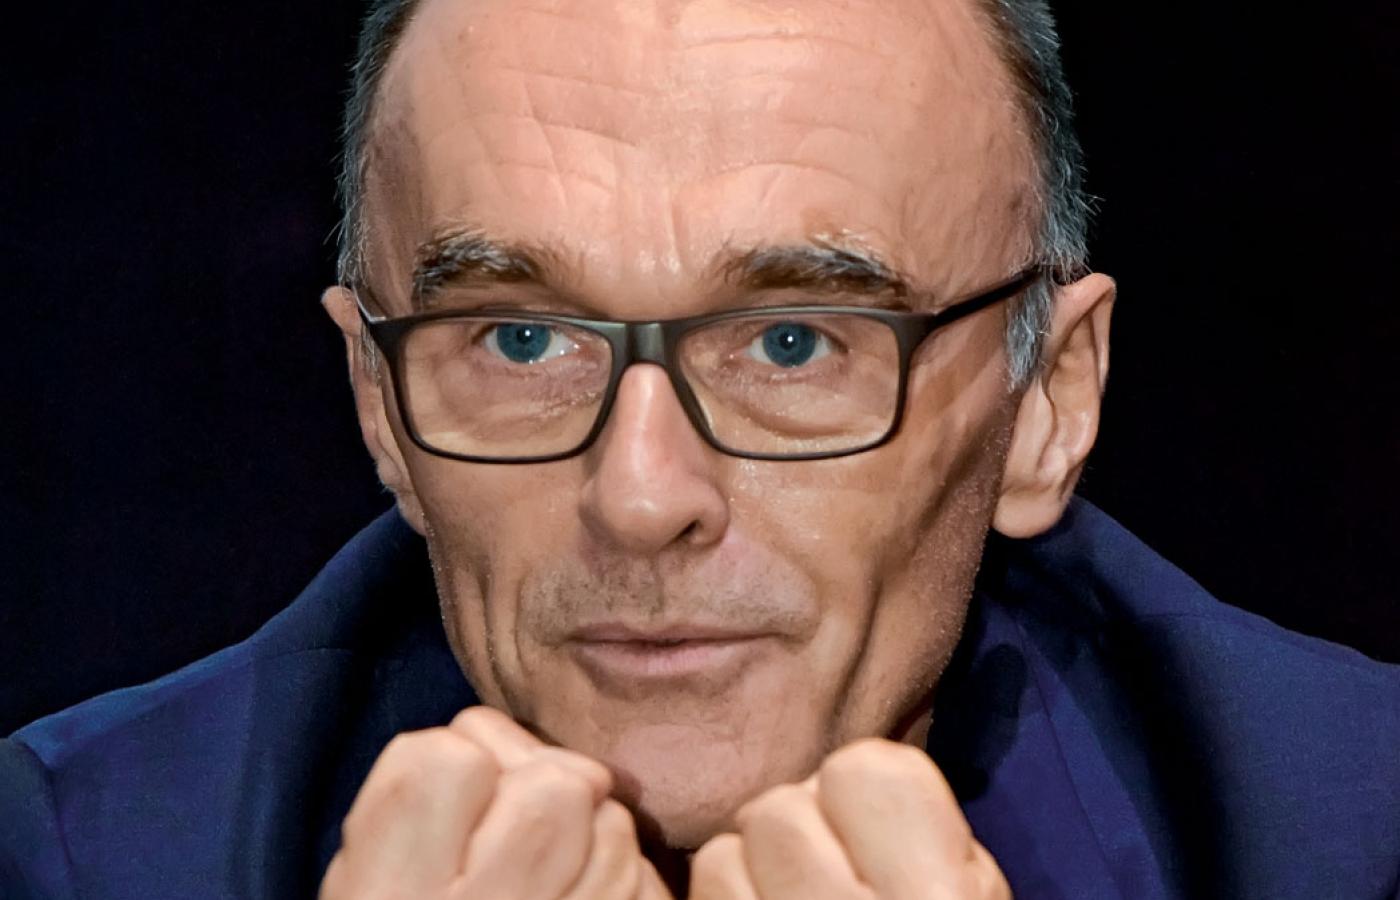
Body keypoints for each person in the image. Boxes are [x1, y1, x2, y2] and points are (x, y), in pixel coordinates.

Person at [3, 0, 1398, 897]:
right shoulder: (77, 854)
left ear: (1047, 403)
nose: (640, 494)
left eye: (792, 342)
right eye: (522, 341)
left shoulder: (1354, 830)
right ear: (379, 402)